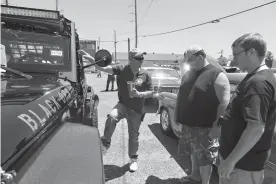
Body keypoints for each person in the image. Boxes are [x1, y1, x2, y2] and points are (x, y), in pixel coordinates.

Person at [78, 48, 159, 172]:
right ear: (131, 59)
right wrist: (89, 57)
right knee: (112, 116)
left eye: (142, 58)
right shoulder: (122, 69)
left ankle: (133, 160)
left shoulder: (145, 74)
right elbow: (103, 68)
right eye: (139, 58)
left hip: (137, 109)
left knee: (134, 136)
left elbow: (152, 92)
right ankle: (105, 144)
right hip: (123, 105)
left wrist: (139, 94)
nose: (141, 60)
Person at [218, 33, 276, 184]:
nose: (233, 59)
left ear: (252, 52)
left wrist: (230, 161)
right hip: (240, 164)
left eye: (236, 53)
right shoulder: (255, 77)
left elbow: (256, 128)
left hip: (242, 167)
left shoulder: (258, 83)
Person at [175, 45, 230, 184]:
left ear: (200, 56)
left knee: (205, 158)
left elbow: (224, 103)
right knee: (193, 152)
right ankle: (194, 176)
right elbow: (181, 95)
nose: (188, 63)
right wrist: (179, 118)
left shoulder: (217, 74)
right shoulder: (189, 73)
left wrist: (218, 126)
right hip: (188, 124)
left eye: (190, 60)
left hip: (206, 127)